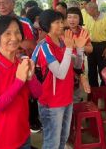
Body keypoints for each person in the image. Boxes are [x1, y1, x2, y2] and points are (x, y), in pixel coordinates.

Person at [0, 16, 42, 148]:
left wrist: (30, 78)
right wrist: (19, 81)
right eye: (7, 33)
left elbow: (38, 93)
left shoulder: (21, 63)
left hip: (23, 135)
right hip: (0, 140)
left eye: (17, 32)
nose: (14, 38)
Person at [31, 9, 88, 149]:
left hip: (67, 98)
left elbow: (77, 65)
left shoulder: (63, 43)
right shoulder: (44, 46)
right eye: (57, 22)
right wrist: (70, 48)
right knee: (52, 143)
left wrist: (79, 49)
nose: (62, 25)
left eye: (62, 21)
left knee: (63, 139)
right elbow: (60, 73)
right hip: (51, 102)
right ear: (46, 25)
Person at [85, 2, 106, 87]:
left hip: (102, 46)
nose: (86, 12)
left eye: (87, 10)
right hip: (91, 46)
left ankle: (104, 89)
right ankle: (94, 90)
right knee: (91, 70)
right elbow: (86, 34)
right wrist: (86, 47)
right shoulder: (89, 19)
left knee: (104, 70)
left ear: (94, 9)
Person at [66, 7, 92, 102]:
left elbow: (90, 48)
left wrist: (79, 46)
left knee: (76, 93)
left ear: (79, 19)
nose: (72, 20)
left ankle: (75, 112)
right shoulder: (62, 31)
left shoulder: (83, 31)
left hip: (79, 67)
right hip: (65, 67)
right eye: (69, 17)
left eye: (75, 17)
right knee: (66, 92)